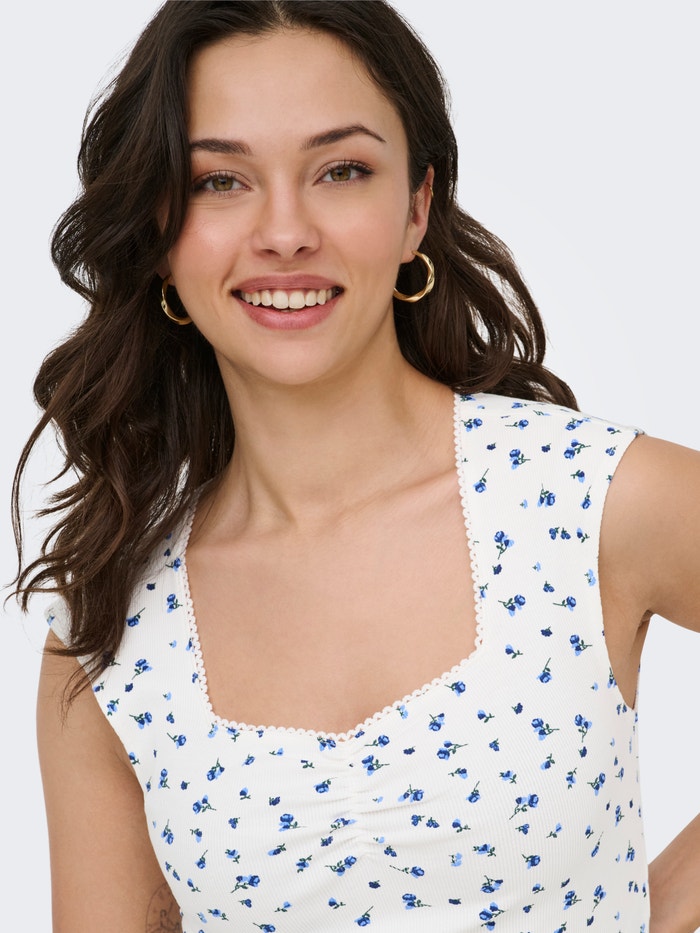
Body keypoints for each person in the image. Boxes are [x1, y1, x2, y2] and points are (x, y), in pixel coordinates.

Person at [12, 1, 699, 931]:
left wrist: (659, 908)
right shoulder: (107, 626)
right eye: (220, 181)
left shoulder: (591, 501)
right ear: (160, 235)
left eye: (340, 170)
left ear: (416, 208)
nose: (285, 231)